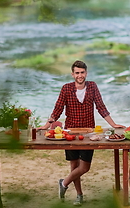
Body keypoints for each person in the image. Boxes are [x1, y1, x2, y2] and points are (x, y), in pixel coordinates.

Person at [38, 60, 125, 206]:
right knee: (74, 166)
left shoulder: (92, 86)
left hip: (88, 133)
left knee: (85, 167)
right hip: (70, 133)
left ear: (86, 73)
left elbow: (101, 107)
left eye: (82, 72)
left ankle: (64, 183)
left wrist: (113, 124)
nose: (80, 75)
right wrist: (47, 125)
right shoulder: (66, 89)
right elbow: (57, 109)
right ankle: (79, 195)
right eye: (77, 73)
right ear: (72, 74)